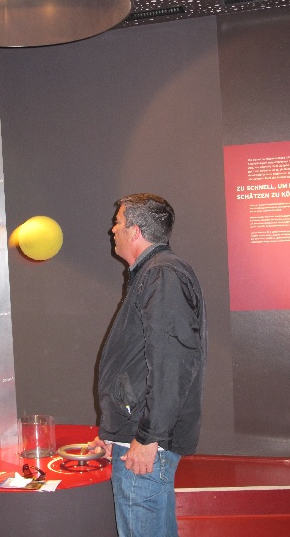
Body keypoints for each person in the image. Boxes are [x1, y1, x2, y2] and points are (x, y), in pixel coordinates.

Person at [89, 193, 207, 537]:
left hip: (143, 441)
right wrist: (114, 433)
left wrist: (148, 437)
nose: (113, 229)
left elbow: (171, 363)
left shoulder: (162, 275)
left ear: (136, 231)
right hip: (135, 434)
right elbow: (140, 364)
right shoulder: (154, 274)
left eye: (118, 222)